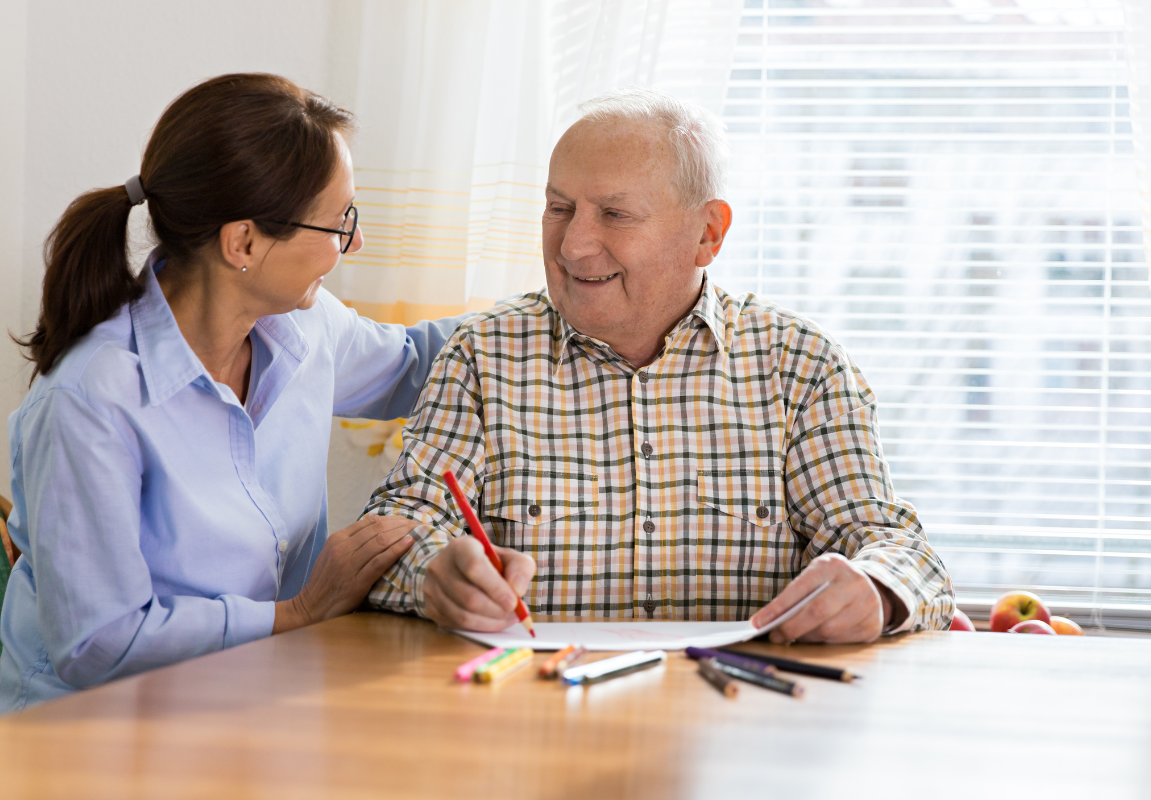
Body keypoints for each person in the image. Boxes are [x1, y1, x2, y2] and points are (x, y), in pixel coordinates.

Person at [361, 87, 953, 642]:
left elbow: (896, 548)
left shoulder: (801, 366)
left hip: (736, 722)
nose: (572, 245)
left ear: (707, 233)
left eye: (615, 215)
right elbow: (390, 536)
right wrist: (431, 573)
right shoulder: (480, 356)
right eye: (559, 208)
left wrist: (876, 589)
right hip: (531, 716)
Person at [0, 74, 459, 714]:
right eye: (336, 223)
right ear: (243, 242)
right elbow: (99, 641)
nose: (350, 242)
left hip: (246, 708)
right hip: (88, 736)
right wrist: (297, 613)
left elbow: (419, 364)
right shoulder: (91, 397)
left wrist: (558, 301)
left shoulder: (303, 326)